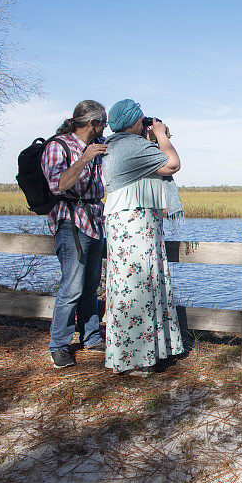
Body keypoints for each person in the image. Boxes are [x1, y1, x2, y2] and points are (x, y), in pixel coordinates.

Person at [102, 99, 185, 376]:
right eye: (142, 119)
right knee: (138, 290)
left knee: (130, 288)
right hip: (135, 222)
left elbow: (156, 169)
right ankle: (138, 359)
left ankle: (135, 355)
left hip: (126, 223)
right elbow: (172, 164)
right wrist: (160, 135)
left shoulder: (116, 146)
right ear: (134, 122)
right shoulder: (134, 146)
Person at [41, 100, 108, 368]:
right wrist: (85, 158)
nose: (105, 128)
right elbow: (58, 185)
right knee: (72, 286)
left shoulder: (99, 144)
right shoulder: (58, 146)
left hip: (95, 219)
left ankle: (91, 336)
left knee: (91, 284)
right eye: (103, 122)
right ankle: (58, 344)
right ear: (92, 123)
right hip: (70, 222)